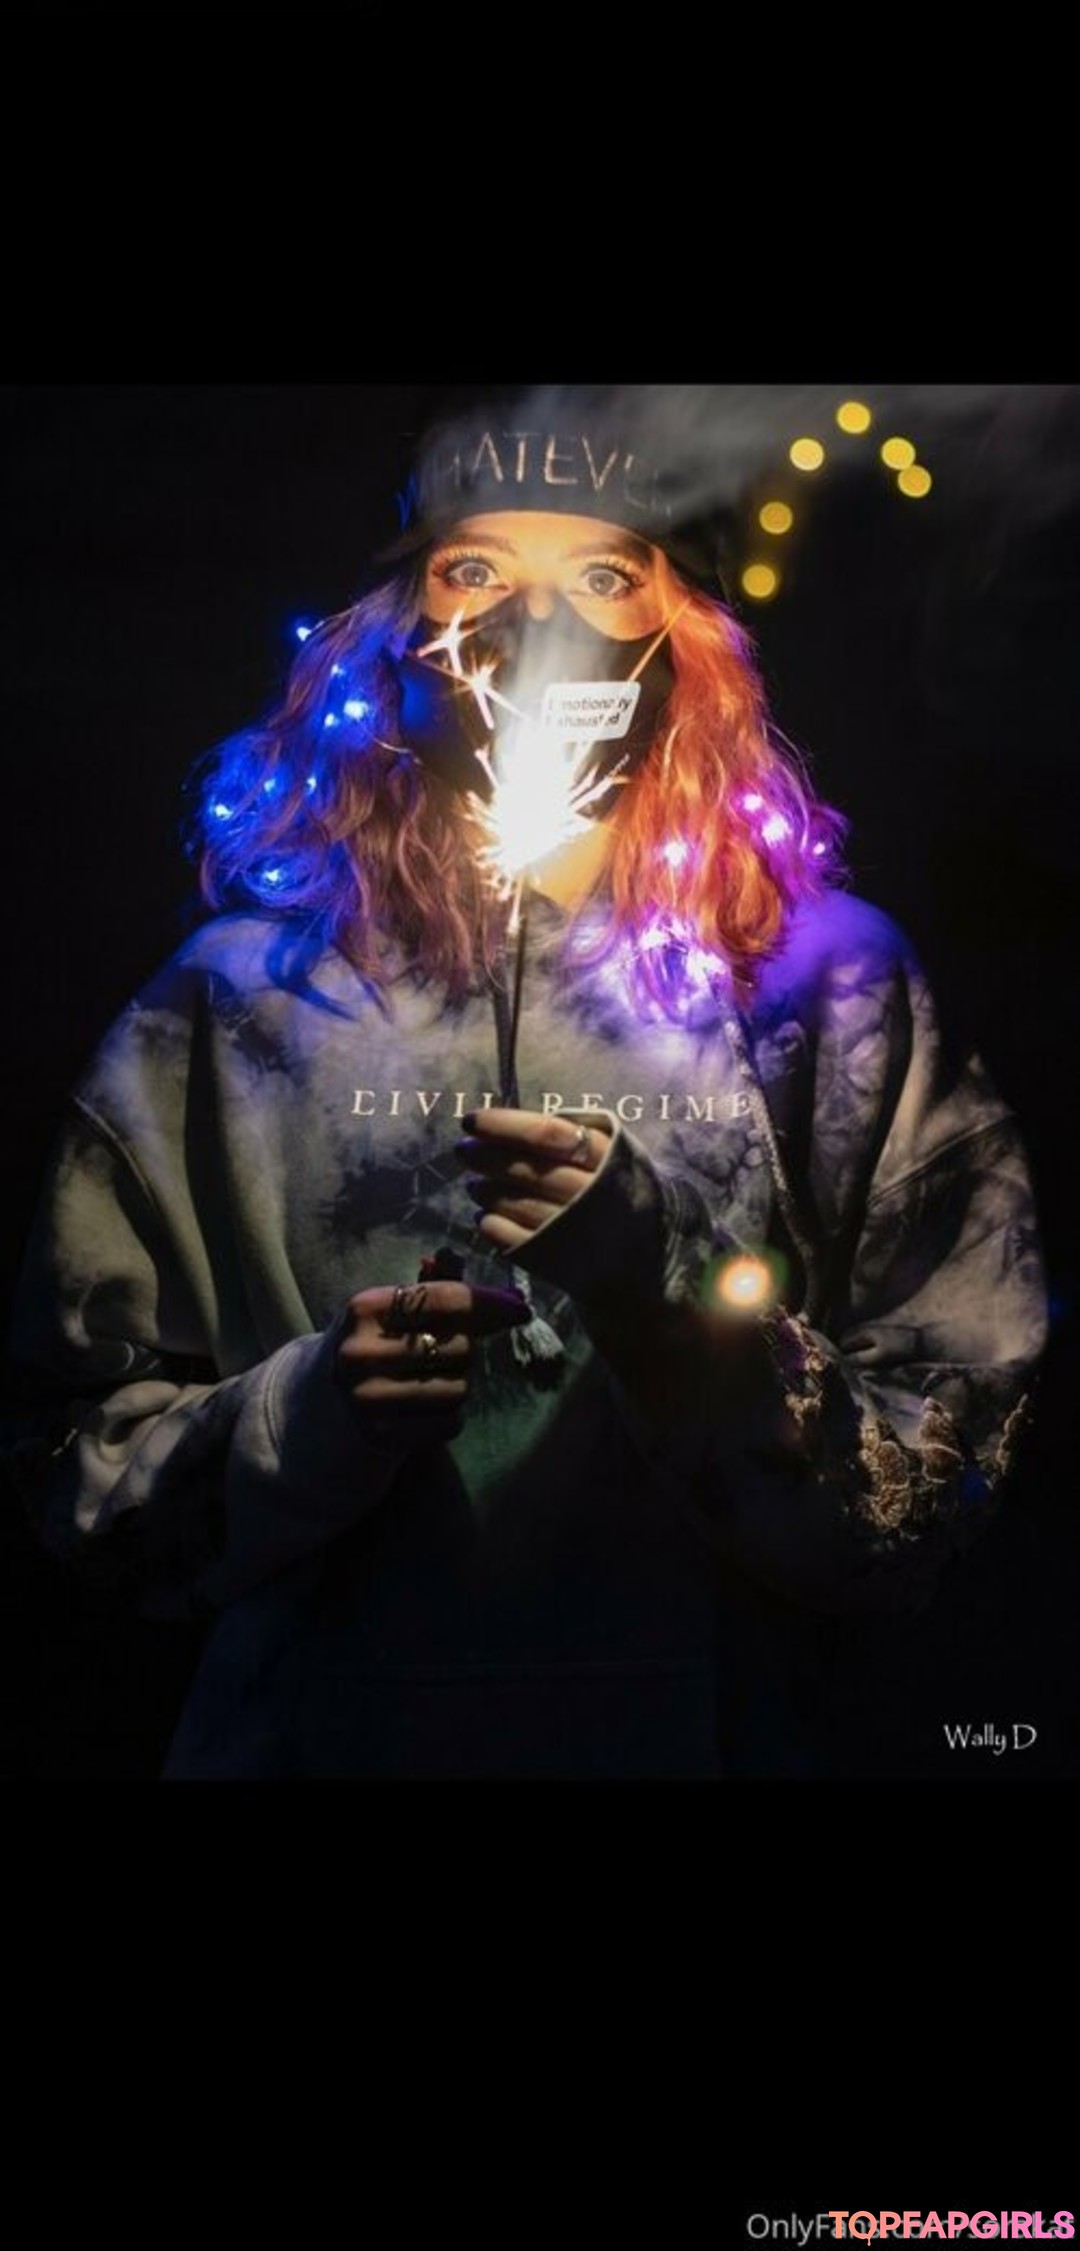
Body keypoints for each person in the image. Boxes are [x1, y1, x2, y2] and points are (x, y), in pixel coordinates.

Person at [5, 392, 1049, 1779]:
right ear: (391, 630)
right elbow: (67, 1457)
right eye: (475, 568)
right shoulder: (241, 1001)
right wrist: (309, 1418)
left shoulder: (826, 991)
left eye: (603, 576)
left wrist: (662, 1296)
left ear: (685, 640)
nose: (533, 620)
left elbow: (946, 1481)